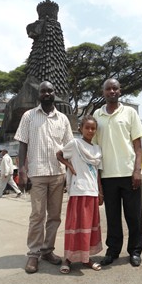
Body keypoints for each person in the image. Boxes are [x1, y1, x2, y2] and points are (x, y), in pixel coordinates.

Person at [15, 81, 74, 274]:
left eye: (50, 91)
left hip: (57, 174)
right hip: (37, 173)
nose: (47, 93)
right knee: (37, 215)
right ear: (38, 95)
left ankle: (47, 250)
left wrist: (71, 173)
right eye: (43, 91)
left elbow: (69, 148)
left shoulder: (63, 119)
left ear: (54, 93)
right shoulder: (29, 116)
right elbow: (22, 145)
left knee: (55, 216)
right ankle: (33, 254)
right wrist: (22, 171)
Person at [92, 78, 142, 267]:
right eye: (108, 89)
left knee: (134, 216)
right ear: (103, 92)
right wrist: (97, 181)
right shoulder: (97, 115)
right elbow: (95, 150)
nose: (112, 91)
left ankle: (135, 251)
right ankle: (113, 251)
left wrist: (137, 170)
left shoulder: (129, 113)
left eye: (115, 88)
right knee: (113, 217)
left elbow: (138, 146)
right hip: (107, 175)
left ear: (120, 91)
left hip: (129, 173)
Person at [55, 116, 104, 273]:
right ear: (81, 128)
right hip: (78, 191)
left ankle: (86, 259)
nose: (90, 131)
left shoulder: (97, 149)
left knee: (88, 227)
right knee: (75, 226)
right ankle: (68, 259)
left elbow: (97, 172)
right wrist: (70, 166)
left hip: (92, 192)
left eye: (93, 128)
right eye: (87, 127)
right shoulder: (75, 144)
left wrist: (100, 192)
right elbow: (59, 154)